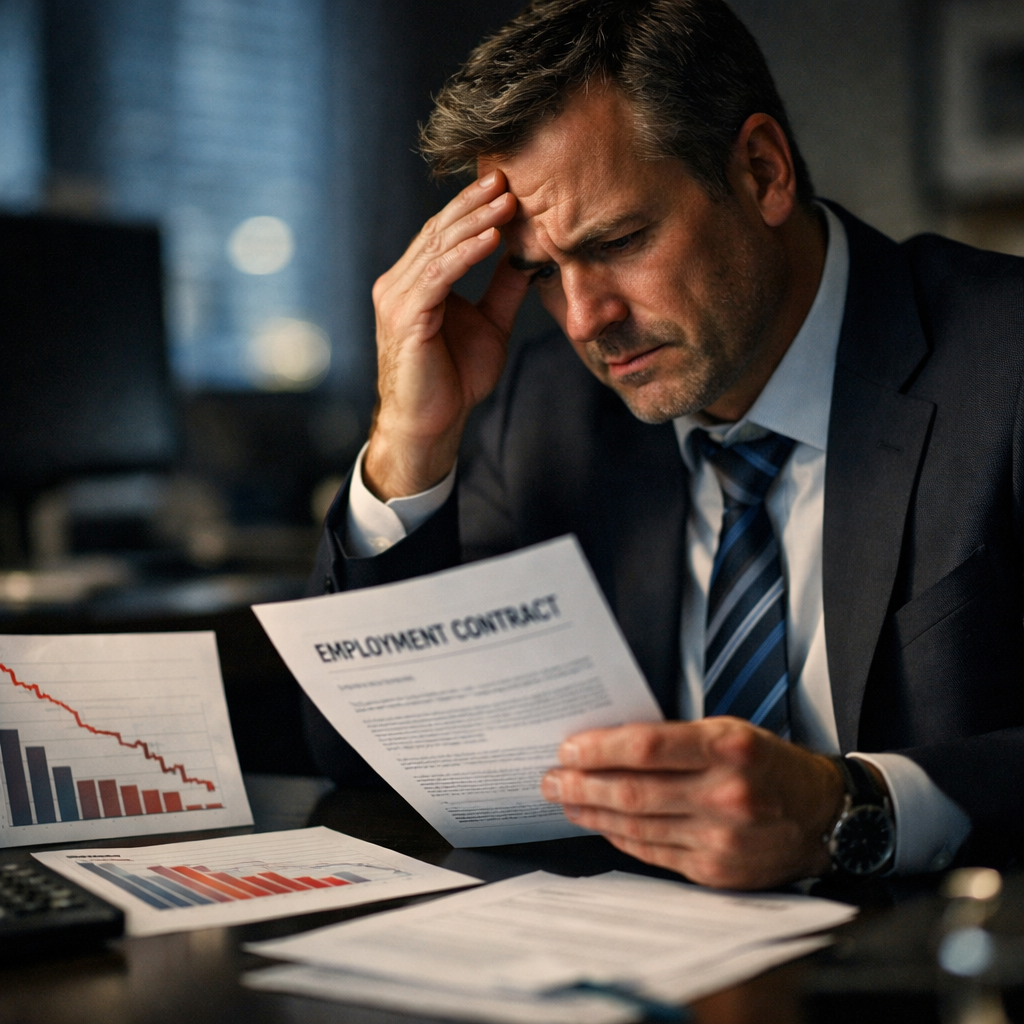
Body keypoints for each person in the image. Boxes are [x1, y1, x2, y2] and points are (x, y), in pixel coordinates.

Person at [306, 0, 1024, 889]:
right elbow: (360, 761)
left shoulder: (1006, 362)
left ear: (762, 172)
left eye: (618, 241)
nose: (583, 321)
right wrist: (408, 445)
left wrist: (857, 809)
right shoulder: (543, 413)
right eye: (538, 274)